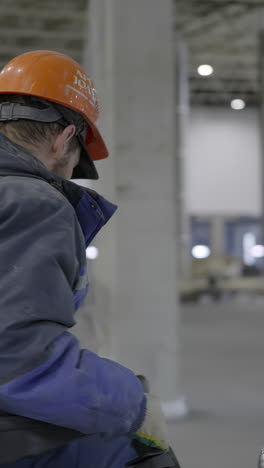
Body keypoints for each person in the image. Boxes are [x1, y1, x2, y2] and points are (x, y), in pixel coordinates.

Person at [0, 50, 168, 468]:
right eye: (77, 161)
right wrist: (135, 404)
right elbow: (18, 358)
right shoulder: (32, 200)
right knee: (135, 449)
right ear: (65, 139)